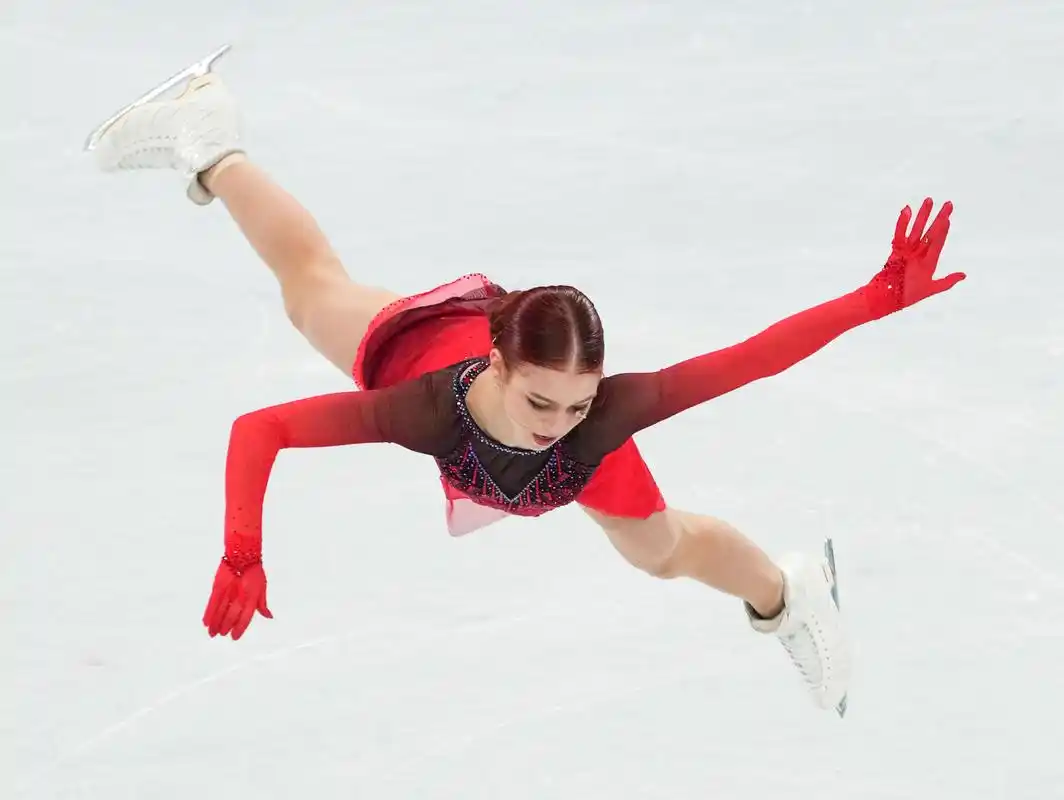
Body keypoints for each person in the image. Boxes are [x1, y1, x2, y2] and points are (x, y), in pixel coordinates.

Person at [87, 54, 965, 717]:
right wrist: (242, 547)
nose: (557, 422)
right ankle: (210, 136)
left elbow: (750, 359)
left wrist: (871, 300)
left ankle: (789, 594)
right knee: (310, 287)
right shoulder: (421, 409)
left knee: (661, 551)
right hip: (422, 351)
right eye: (542, 401)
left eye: (578, 403)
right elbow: (262, 429)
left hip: (542, 440)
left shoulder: (590, 421)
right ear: (501, 367)